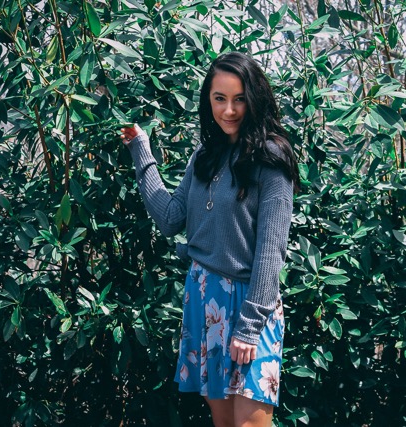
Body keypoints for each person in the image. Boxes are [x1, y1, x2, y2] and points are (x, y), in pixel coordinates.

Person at [121, 52, 299, 427]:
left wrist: (249, 326)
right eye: (220, 98)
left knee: (249, 423)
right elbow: (171, 218)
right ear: (208, 101)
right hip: (204, 297)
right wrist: (141, 151)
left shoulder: (271, 158)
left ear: (255, 99)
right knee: (224, 423)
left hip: (251, 303)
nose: (229, 110)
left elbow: (271, 252)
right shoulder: (205, 155)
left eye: (239, 99)